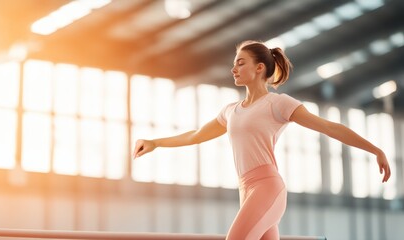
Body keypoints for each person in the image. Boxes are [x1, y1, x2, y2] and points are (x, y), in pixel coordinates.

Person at [133, 40, 391, 240]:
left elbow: (328, 127)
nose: (233, 68)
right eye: (234, 63)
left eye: (240, 62)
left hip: (267, 187)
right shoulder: (230, 110)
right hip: (245, 190)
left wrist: (374, 149)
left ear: (259, 68)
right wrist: (155, 142)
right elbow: (196, 135)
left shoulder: (278, 104)